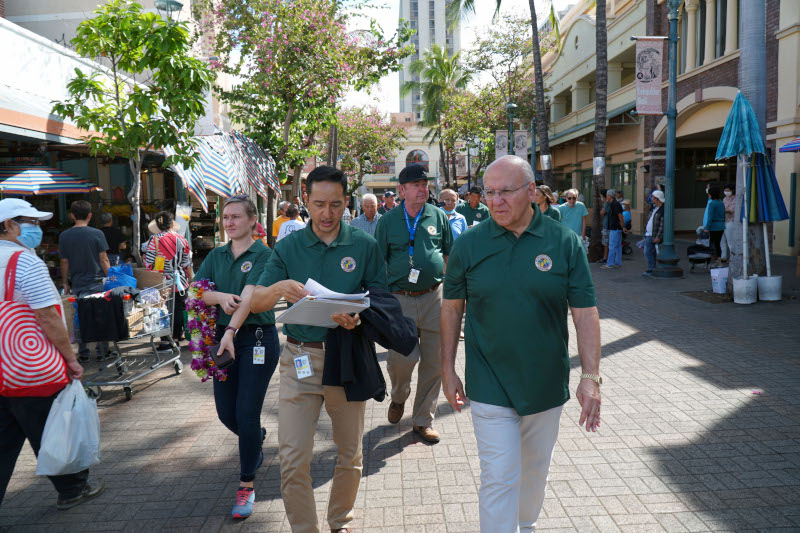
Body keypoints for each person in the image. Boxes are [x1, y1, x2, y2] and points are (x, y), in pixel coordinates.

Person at [440, 155, 602, 533]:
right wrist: (447, 370)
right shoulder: (469, 244)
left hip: (544, 381)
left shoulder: (563, 242)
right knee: (499, 475)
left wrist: (591, 376)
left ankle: (525, 525)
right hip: (488, 381)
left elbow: (584, 312)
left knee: (534, 470)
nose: (495, 201)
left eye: (506, 192)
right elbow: (450, 312)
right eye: (490, 192)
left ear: (531, 192)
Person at [252, 166, 386, 533]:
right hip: (299, 359)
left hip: (347, 358)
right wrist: (280, 288)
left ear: (347, 203)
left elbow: (381, 302)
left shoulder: (363, 245)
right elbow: (257, 300)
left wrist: (358, 319)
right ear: (305, 202)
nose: (327, 214)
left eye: (336, 205)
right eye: (319, 204)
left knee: (350, 453)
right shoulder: (288, 246)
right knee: (293, 459)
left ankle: (339, 520)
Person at [0, 199, 105, 509]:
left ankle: (72, 486)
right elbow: (47, 316)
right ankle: (73, 488)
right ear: (9, 225)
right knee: (52, 427)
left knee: (4, 441)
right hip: (31, 367)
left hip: (3, 367)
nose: (37, 228)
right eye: (30, 222)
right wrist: (70, 358)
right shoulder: (24, 261)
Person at [194, 195, 278, 519]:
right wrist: (219, 297)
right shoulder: (216, 255)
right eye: (225, 218)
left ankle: (246, 484)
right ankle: (255, 440)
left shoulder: (264, 254)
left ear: (252, 221)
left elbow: (249, 297)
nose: (229, 223)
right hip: (222, 341)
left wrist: (229, 331)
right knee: (226, 413)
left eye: (235, 217)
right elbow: (197, 288)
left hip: (255, 340)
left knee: (246, 412)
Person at [374, 164, 454, 444]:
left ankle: (422, 421)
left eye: (425, 184)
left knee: (433, 363)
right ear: (402, 190)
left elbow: (448, 254)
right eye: (416, 185)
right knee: (401, 360)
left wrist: (454, 293)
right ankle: (398, 397)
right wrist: (380, 301)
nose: (423, 189)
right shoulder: (387, 221)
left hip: (434, 296)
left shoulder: (438, 215)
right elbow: (377, 263)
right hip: (400, 300)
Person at [58, 200, 111, 362]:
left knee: (80, 317)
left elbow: (64, 262)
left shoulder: (64, 236)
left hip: (78, 283)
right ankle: (103, 350)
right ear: (90, 215)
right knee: (101, 316)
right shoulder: (97, 234)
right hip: (96, 282)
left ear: (72, 216)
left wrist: (65, 282)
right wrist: (111, 278)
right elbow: (103, 259)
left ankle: (83, 352)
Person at [143, 211, 193, 344]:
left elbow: (148, 264)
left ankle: (165, 338)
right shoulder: (182, 240)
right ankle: (177, 336)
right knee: (178, 309)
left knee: (162, 309)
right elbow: (186, 264)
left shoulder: (154, 240)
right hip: (180, 282)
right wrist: (191, 279)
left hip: (161, 282)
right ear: (172, 224)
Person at [601, 190, 626, 270]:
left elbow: (620, 216)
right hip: (616, 228)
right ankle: (617, 262)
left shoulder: (615, 204)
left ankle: (610, 263)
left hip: (615, 228)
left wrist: (623, 226)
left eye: (607, 195)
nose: (606, 197)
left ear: (609, 196)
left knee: (612, 246)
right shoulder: (614, 204)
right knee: (618, 246)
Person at [643, 190, 665, 276]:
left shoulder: (662, 209)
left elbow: (662, 225)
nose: (651, 199)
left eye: (653, 197)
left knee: (648, 252)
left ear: (657, 199)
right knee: (650, 252)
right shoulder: (654, 208)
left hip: (654, 234)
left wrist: (658, 236)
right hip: (649, 234)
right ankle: (652, 268)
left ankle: (651, 269)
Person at [703, 184, 726, 261]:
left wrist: (707, 228)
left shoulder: (712, 203)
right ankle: (719, 261)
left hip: (713, 226)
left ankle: (709, 261)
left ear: (711, 194)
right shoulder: (721, 202)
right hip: (721, 226)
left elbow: (710, 217)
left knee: (710, 244)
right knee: (718, 244)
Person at [720, 184, 736, 263]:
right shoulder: (724, 199)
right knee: (722, 240)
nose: (726, 192)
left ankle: (732, 258)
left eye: (728, 190)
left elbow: (731, 210)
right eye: (725, 190)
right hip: (723, 221)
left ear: (732, 190)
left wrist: (723, 209)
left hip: (730, 221)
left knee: (730, 241)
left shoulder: (735, 199)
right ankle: (723, 257)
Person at [598, 189, 610, 264]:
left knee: (606, 243)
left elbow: (602, 213)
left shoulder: (607, 204)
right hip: (606, 225)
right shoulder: (607, 203)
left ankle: (605, 257)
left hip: (607, 226)